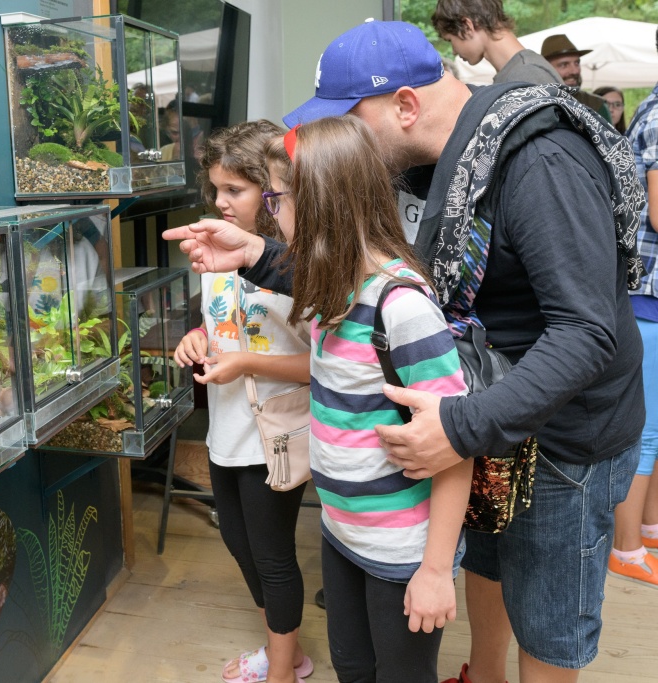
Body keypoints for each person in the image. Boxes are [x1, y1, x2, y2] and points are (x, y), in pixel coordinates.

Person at [166, 20, 645, 683]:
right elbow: (363, 279)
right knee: (488, 563)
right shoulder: (432, 161)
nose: (346, 145)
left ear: (406, 106)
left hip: (563, 434)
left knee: (548, 625)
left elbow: (586, 332)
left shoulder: (540, 159)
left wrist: (457, 428)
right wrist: (257, 256)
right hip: (491, 417)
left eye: (352, 122)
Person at [276, 116, 472, 682]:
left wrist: (435, 570)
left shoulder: (402, 308)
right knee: (354, 668)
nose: (273, 213)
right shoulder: (330, 292)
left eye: (277, 198)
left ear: (319, 201)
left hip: (403, 553)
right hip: (341, 533)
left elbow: (456, 442)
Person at [172, 119, 314, 683]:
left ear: (272, 189)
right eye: (215, 190)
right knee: (238, 542)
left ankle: (283, 671)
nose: (221, 202)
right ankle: (287, 652)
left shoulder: (302, 265)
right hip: (225, 432)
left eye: (235, 190)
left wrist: (249, 362)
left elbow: (323, 364)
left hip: (273, 434)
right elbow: (220, 327)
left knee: (273, 554)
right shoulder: (214, 254)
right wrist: (198, 338)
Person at [608, 39, 658, 587]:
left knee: (657, 428)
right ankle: (625, 548)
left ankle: (647, 529)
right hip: (647, 296)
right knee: (645, 430)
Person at [431, 0, 560, 84]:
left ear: (467, 26)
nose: (454, 51)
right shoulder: (518, 73)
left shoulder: (527, 76)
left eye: (450, 40)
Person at [541, 34, 612, 120]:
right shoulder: (533, 104)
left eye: (576, 63)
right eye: (564, 65)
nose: (575, 71)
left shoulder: (596, 105)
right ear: (546, 68)